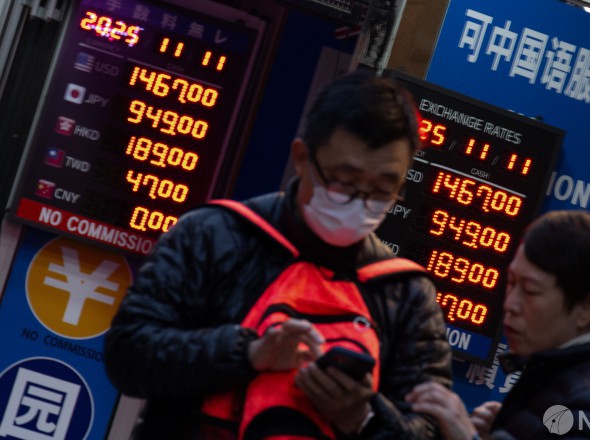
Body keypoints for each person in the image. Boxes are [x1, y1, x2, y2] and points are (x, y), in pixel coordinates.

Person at [104, 71, 452, 439]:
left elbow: (432, 428)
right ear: (302, 158)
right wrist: (248, 352)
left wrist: (361, 418)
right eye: (344, 181)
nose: (360, 202)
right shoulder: (214, 235)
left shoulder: (406, 292)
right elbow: (127, 355)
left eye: (383, 189)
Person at [407, 210, 590, 439]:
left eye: (530, 291)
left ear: (586, 308)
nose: (510, 304)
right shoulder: (556, 375)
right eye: (511, 283)